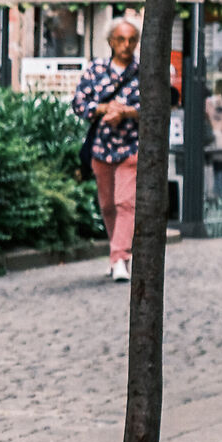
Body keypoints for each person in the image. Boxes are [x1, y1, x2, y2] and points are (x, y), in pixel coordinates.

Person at [72, 17, 143, 282]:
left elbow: (155, 107)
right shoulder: (96, 69)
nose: (126, 45)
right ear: (111, 41)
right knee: (107, 204)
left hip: (131, 147)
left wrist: (126, 112)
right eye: (121, 39)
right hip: (101, 147)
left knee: (126, 202)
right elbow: (79, 103)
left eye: (131, 40)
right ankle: (119, 254)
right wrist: (104, 109)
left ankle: (119, 258)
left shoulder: (143, 71)